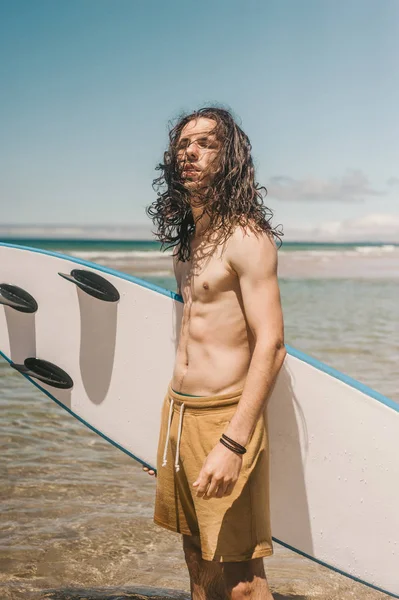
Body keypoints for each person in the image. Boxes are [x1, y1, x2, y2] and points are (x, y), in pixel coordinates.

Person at [144, 107, 286, 600]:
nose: (190, 152)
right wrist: (169, 433)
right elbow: (191, 338)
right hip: (180, 414)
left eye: (205, 143)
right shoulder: (190, 243)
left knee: (242, 580)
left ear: (229, 158)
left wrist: (233, 444)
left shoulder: (247, 239)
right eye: (184, 144)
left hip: (225, 420)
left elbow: (271, 344)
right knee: (197, 565)